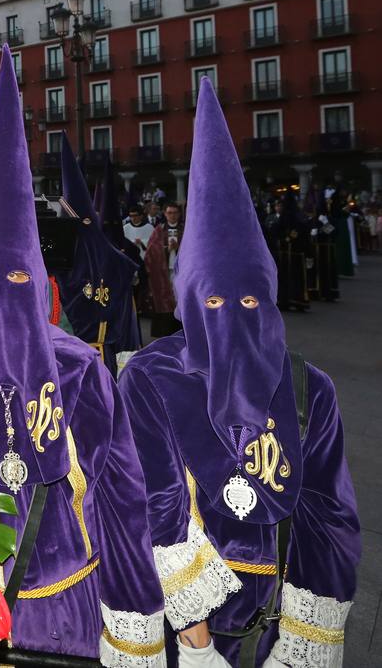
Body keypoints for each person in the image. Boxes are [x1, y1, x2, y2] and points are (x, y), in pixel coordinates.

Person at [0, 47, 165, 665]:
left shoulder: (76, 367)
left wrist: (134, 620)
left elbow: (120, 487)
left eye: (17, 280)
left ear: (39, 280)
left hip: (68, 599)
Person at [119, 78, 360, 667]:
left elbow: (329, 519)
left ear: (270, 298)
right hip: (185, 630)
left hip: (276, 624)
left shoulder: (309, 388)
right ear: (189, 302)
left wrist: (302, 645)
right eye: (213, 304)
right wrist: (198, 646)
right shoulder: (151, 377)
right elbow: (158, 506)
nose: (231, 319)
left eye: (249, 302)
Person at [56, 134, 140, 374]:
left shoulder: (116, 263)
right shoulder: (53, 265)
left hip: (103, 360)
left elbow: (126, 320)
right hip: (65, 358)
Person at [145, 202, 184, 336]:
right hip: (164, 271)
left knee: (180, 298)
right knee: (165, 299)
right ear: (165, 214)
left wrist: (179, 246)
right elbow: (151, 250)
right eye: (169, 213)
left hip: (182, 271)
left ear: (179, 214)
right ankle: (165, 332)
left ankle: (182, 329)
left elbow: (194, 249)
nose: (172, 216)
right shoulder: (159, 230)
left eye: (175, 213)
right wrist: (166, 248)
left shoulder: (185, 229)